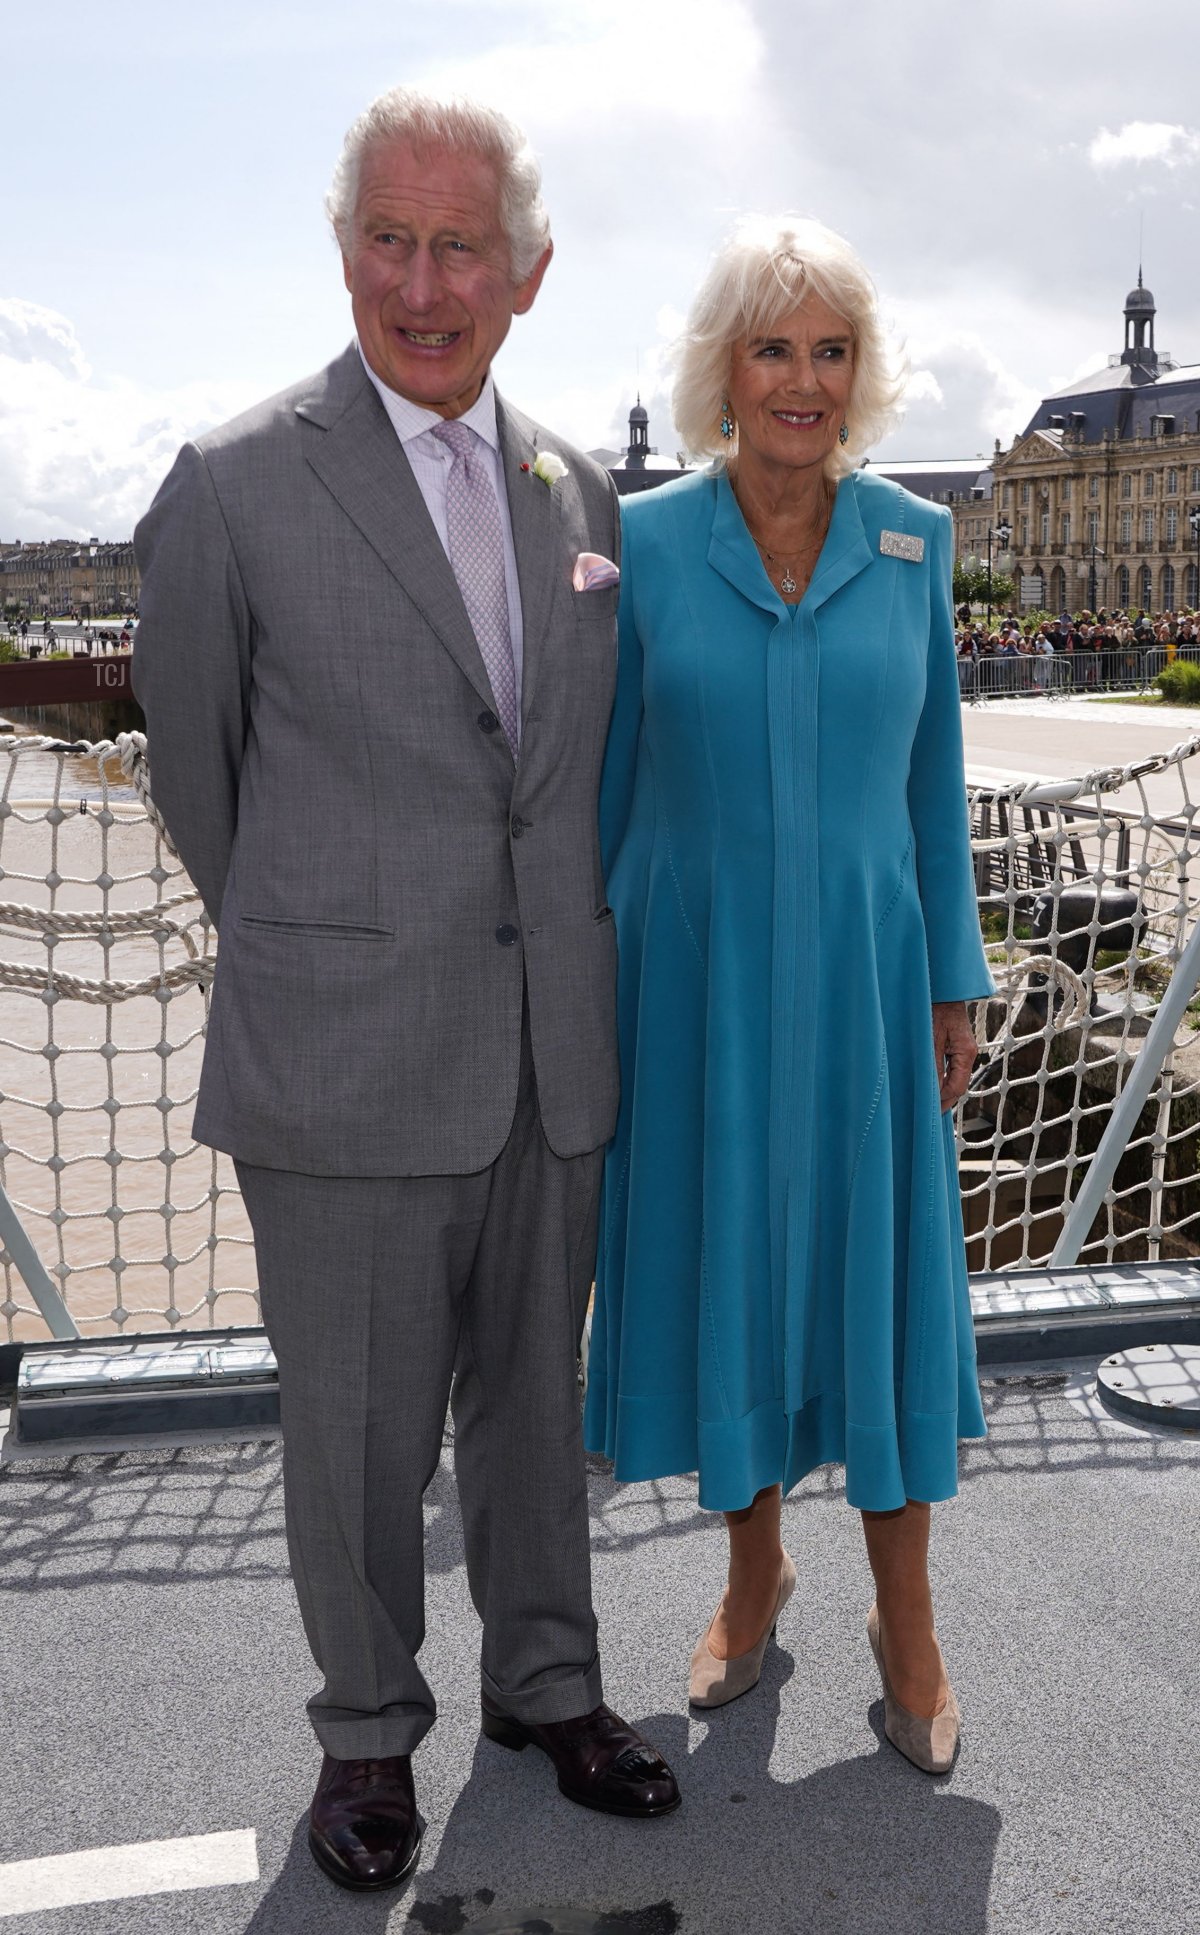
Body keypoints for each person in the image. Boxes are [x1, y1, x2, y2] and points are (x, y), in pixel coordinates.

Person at [133, 85, 679, 1896]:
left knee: (538, 1408)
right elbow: (201, 782)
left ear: (528, 274)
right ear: (343, 244)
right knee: (356, 1431)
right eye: (389, 235)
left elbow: (567, 771)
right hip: (347, 1057)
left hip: (550, 1056)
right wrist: (339, 949)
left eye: (461, 247)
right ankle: (367, 1734)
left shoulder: (580, 488)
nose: (422, 283)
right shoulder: (231, 483)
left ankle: (547, 1683)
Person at [584, 216, 994, 1777]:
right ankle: (753, 1576)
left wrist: (954, 978)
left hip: (874, 983)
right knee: (736, 1269)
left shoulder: (913, 539)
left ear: (859, 375)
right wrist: (592, 984)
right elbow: (608, 798)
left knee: (881, 1282)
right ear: (724, 371)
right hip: (694, 989)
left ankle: (912, 1623)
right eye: (775, 348)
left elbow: (933, 780)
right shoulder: (643, 545)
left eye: (831, 351)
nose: (803, 382)